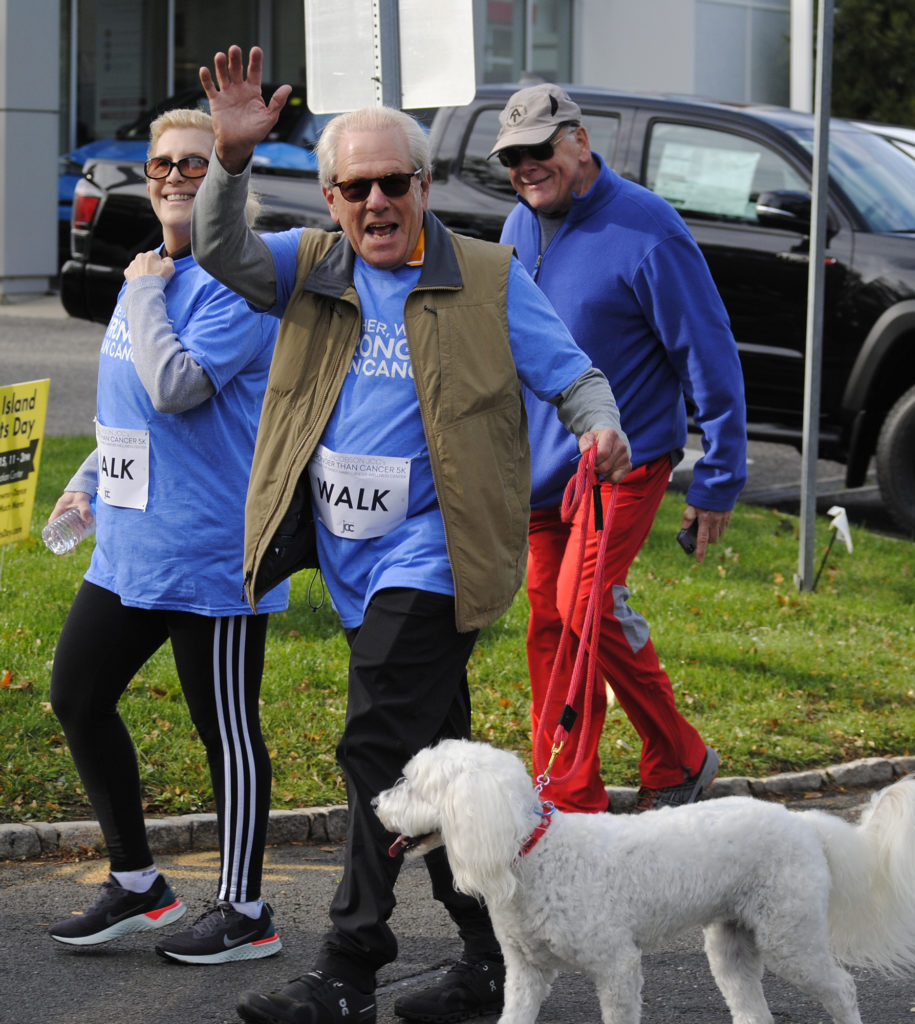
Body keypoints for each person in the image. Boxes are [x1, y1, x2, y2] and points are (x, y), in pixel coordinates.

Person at [192, 44, 630, 1024]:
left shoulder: (485, 275)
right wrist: (227, 158)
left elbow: (574, 374)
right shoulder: (309, 266)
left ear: (424, 185)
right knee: (434, 764)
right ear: (332, 193)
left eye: (396, 183)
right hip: (350, 559)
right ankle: (486, 959)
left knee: (371, 741)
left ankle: (347, 968)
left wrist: (600, 426)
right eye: (357, 187)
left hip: (438, 553)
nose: (378, 203)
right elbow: (219, 252)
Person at [46, 108, 290, 965]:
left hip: (213, 556)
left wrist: (145, 291)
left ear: (226, 173)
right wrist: (85, 487)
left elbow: (175, 385)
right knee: (77, 694)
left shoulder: (242, 280)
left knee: (225, 730)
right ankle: (140, 884)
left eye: (194, 162)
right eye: (160, 165)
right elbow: (126, 408)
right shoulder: (147, 271)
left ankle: (246, 909)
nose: (175, 176)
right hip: (129, 547)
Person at [490, 83, 748, 815]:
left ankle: (610, 781)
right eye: (513, 157)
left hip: (625, 463)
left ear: (577, 140)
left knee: (581, 604)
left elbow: (709, 352)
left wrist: (718, 477)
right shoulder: (519, 221)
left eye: (539, 150)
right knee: (551, 617)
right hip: (542, 473)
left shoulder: (648, 230)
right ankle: (622, 769)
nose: (526, 168)